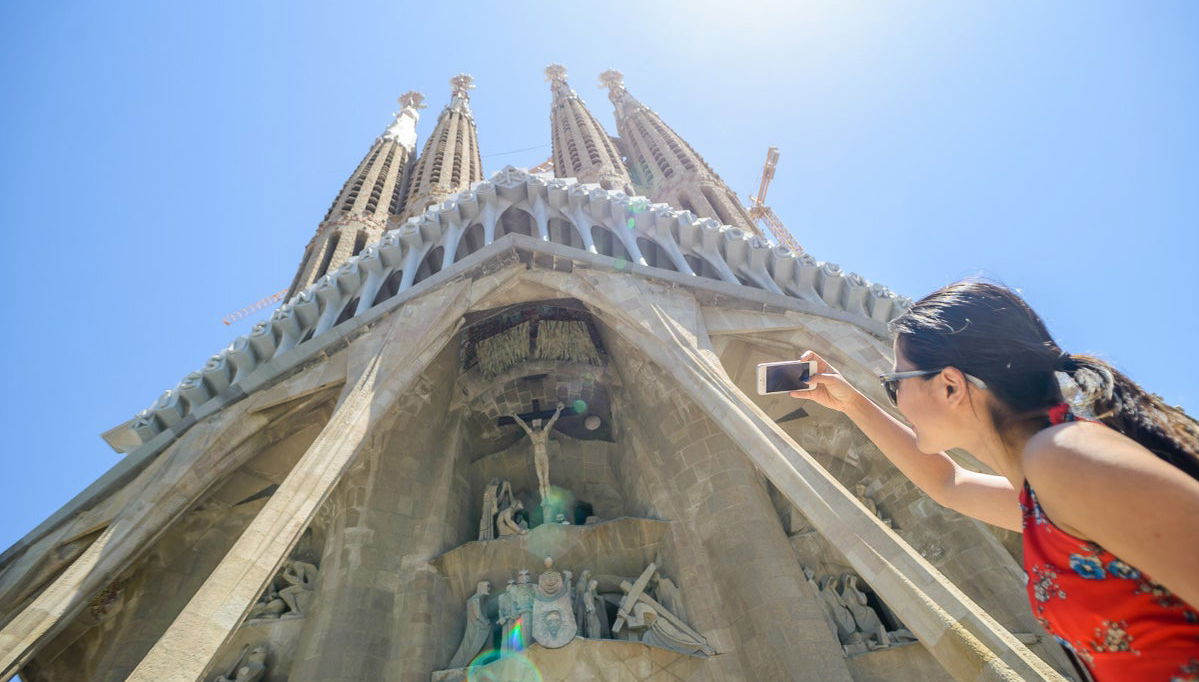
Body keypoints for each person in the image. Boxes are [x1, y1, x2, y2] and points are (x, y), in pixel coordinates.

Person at [792, 279, 1199, 681]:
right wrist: (852, 403)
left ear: (950, 386)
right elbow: (948, 483)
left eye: (894, 385)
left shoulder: (1063, 457)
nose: (896, 400)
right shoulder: (1044, 489)